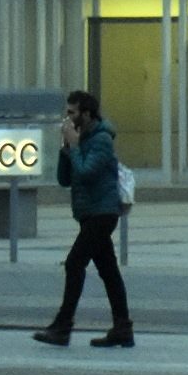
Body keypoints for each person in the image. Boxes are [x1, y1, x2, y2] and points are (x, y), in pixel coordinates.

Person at [32, 90, 131, 348]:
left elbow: (87, 172)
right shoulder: (79, 139)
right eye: (67, 112)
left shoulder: (101, 140)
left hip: (103, 213)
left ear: (87, 114)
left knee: (74, 263)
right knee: (108, 270)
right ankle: (123, 328)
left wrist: (75, 147)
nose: (68, 117)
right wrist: (65, 149)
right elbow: (65, 179)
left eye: (72, 113)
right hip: (89, 214)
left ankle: (63, 327)